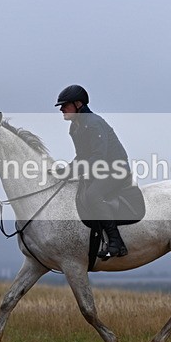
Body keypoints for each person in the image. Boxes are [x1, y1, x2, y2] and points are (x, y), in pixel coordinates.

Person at [54, 84, 131, 256]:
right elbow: (81, 156)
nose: (61, 109)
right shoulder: (75, 127)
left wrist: (73, 171)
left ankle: (116, 242)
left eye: (65, 105)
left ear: (78, 104)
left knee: (92, 195)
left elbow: (98, 157)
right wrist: (65, 171)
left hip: (116, 169)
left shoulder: (94, 123)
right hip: (100, 170)